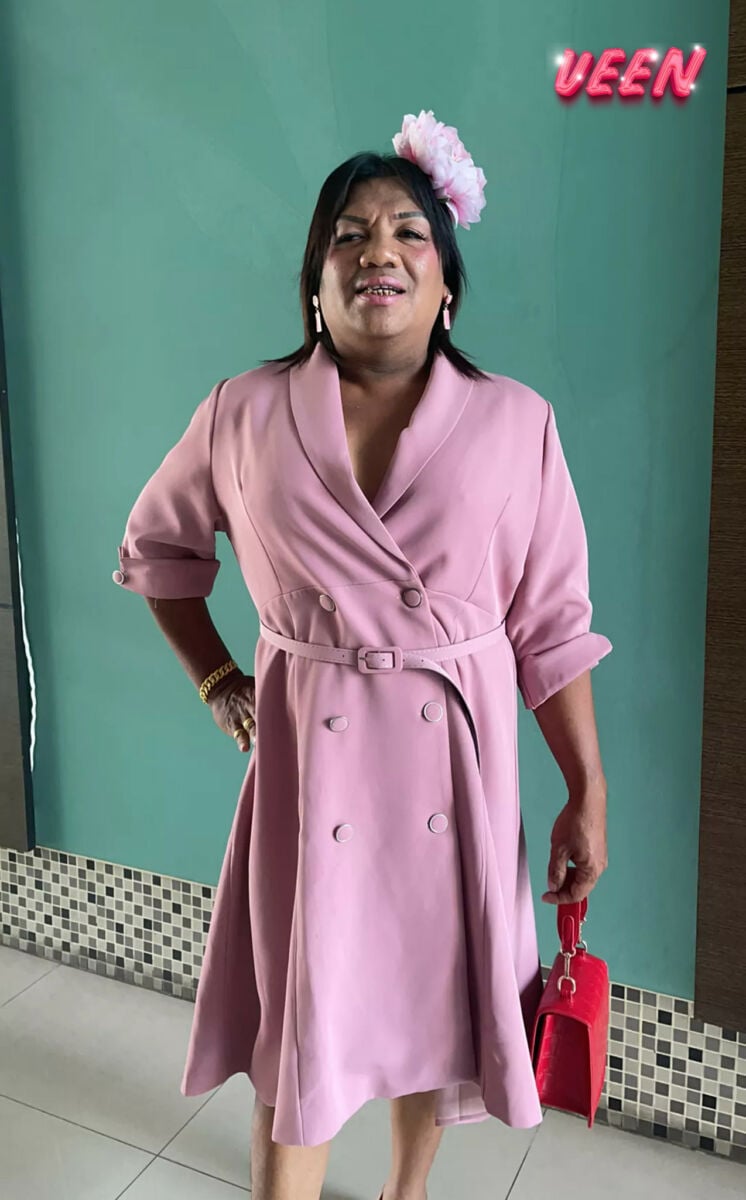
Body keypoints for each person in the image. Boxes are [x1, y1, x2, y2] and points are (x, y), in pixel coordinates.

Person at [112, 109, 612, 1200]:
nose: (376, 250)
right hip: (315, 769)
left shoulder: (516, 422)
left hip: (455, 772)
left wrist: (586, 789)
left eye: (406, 232)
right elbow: (157, 552)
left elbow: (551, 625)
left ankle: (405, 1190)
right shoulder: (243, 413)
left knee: (432, 1005)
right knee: (303, 1017)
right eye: (347, 235)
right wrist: (218, 679)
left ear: (446, 286)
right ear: (315, 282)